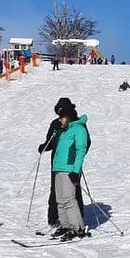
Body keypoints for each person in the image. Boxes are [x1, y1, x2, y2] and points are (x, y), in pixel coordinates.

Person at [39, 98, 88, 228]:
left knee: (72, 194)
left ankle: (77, 224)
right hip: (57, 164)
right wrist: (44, 146)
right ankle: (57, 220)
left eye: (62, 112)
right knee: (57, 195)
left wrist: (76, 163)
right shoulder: (56, 124)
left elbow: (83, 145)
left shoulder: (77, 126)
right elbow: (51, 141)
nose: (60, 115)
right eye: (58, 111)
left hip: (70, 165)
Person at [50, 105, 90, 240]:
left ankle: (77, 227)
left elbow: (80, 150)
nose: (60, 120)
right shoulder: (64, 131)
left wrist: (75, 170)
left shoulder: (78, 130)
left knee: (69, 199)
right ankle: (65, 225)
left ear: (68, 118)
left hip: (69, 170)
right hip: (58, 169)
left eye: (62, 118)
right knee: (60, 200)